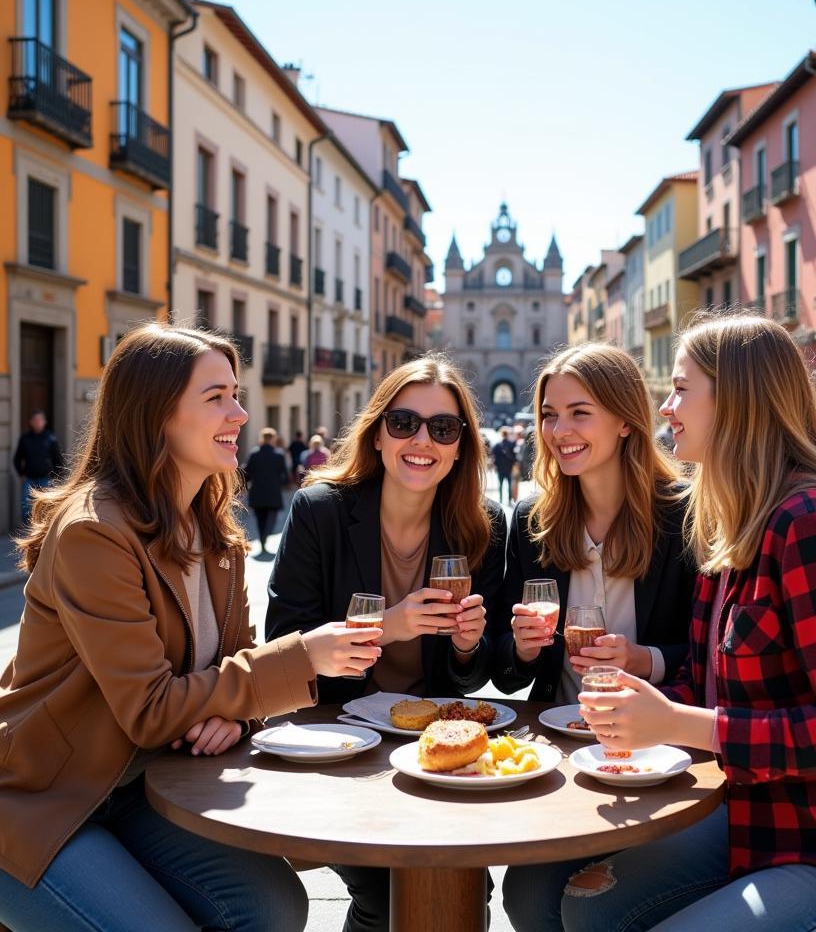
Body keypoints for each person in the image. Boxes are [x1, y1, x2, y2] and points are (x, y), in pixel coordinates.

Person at [507, 314, 816, 932]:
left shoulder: (814, 522)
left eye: (680, 389)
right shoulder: (738, 522)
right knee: (578, 905)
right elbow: (705, 682)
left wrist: (675, 721)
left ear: (739, 400)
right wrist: (639, 707)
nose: (665, 407)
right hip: (768, 816)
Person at [0, 323, 384, 932]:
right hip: (43, 801)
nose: (239, 411)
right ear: (155, 414)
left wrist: (235, 713)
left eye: (235, 393)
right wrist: (304, 657)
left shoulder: (216, 532)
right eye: (216, 398)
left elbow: (233, 673)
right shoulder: (94, 533)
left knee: (275, 908)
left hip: (142, 788)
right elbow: (152, 709)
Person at [264, 353, 506, 932]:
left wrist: (470, 646)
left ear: (459, 447)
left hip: (437, 747)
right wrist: (386, 627)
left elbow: (476, 679)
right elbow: (283, 645)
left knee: (466, 891)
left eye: (442, 428)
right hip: (341, 740)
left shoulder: (482, 525)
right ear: (377, 435)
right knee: (382, 893)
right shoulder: (320, 511)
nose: (422, 440)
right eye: (404, 423)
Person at [490, 342, 694, 708]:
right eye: (549, 415)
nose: (558, 431)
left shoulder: (685, 514)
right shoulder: (531, 521)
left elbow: (711, 655)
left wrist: (643, 660)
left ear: (626, 421)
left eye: (580, 413)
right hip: (559, 735)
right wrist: (522, 649)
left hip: (657, 745)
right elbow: (505, 678)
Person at [243, 427, 290, 554]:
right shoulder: (279, 455)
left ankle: (263, 538)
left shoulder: (254, 454)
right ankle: (264, 538)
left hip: (257, 492)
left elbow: (246, 474)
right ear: (273, 439)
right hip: (273, 493)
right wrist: (280, 484)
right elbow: (285, 476)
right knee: (271, 519)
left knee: (259, 519)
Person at [13, 408, 63, 524]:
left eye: (40, 420)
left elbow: (58, 461)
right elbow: (17, 459)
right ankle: (29, 534)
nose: (37, 422)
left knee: (45, 508)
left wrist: (55, 478)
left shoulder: (51, 439)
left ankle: (42, 535)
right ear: (31, 422)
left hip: (46, 479)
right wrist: (21, 474)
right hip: (29, 480)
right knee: (26, 508)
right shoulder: (25, 439)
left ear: (44, 422)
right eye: (35, 420)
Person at [492, 426, 518, 504]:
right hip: (509, 467)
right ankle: (509, 500)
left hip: (500, 468)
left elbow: (494, 456)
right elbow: (514, 456)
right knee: (509, 484)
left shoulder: (497, 445)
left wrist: (495, 465)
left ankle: (500, 499)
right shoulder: (511, 444)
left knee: (500, 484)